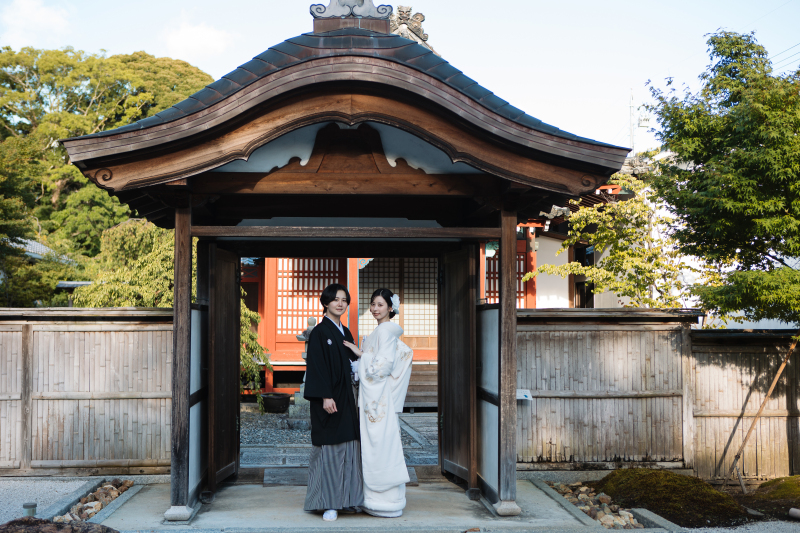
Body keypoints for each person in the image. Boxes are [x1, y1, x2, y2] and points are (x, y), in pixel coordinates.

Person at [343, 288, 413, 518]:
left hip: (378, 398)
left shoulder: (385, 331)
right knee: (381, 444)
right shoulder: (383, 331)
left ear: (390, 308)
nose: (375, 309)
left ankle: (382, 500)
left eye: (380, 305)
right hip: (378, 397)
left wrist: (360, 356)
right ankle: (383, 499)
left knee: (379, 444)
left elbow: (382, 367)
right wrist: (363, 356)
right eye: (373, 304)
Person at [303, 283, 364, 521]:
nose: (340, 304)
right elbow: (316, 367)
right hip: (329, 399)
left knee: (349, 446)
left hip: (347, 397)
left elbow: (352, 364)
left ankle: (348, 500)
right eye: (336, 299)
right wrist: (325, 396)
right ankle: (328, 503)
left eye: (344, 300)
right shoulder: (319, 332)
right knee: (329, 449)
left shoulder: (345, 332)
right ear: (326, 302)